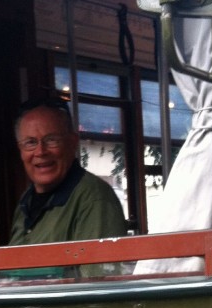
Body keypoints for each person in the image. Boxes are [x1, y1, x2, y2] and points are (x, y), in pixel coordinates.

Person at [9, 98, 127, 247]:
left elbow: (103, 270)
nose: (40, 151)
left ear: (72, 142)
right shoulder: (25, 202)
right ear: (20, 150)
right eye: (30, 143)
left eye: (51, 140)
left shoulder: (94, 199)